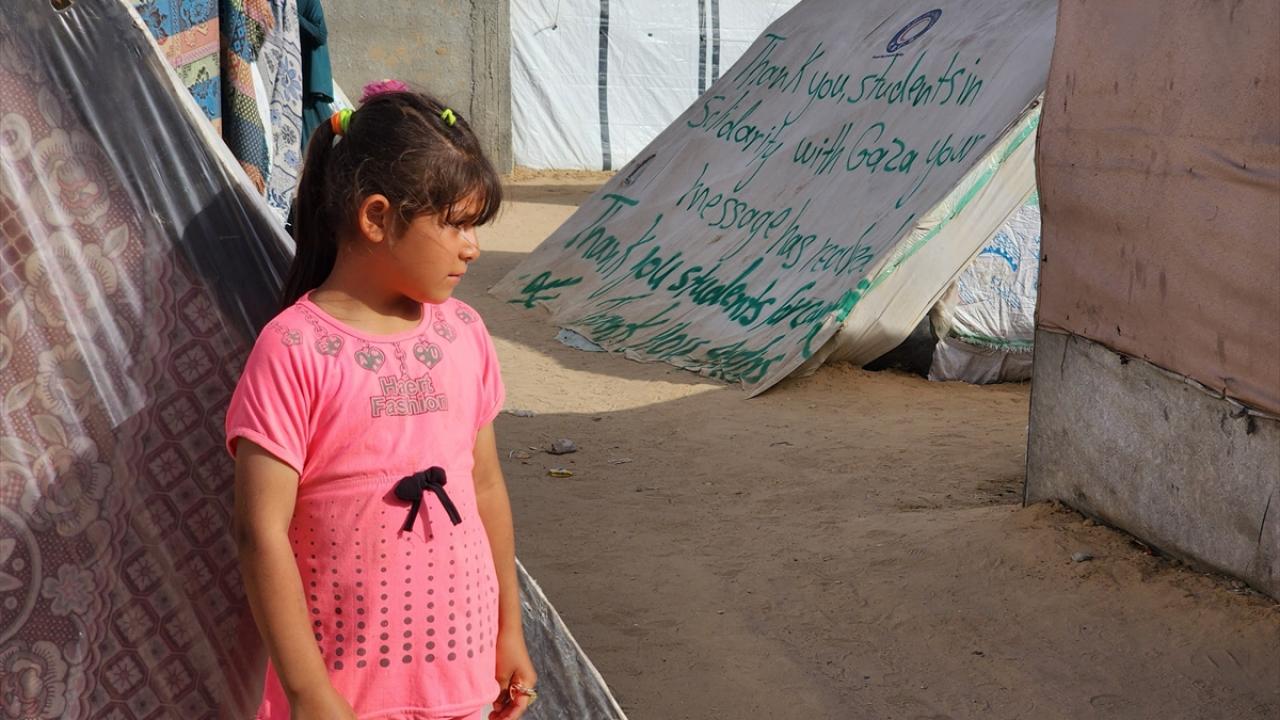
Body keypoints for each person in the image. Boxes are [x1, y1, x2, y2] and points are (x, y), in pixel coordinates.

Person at [226, 84, 535, 720]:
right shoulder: (293, 349)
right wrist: (310, 693)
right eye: (455, 224)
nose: (472, 247)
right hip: (344, 698)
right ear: (376, 217)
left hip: (464, 683)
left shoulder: (464, 334)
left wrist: (510, 630)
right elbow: (260, 532)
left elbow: (485, 487)